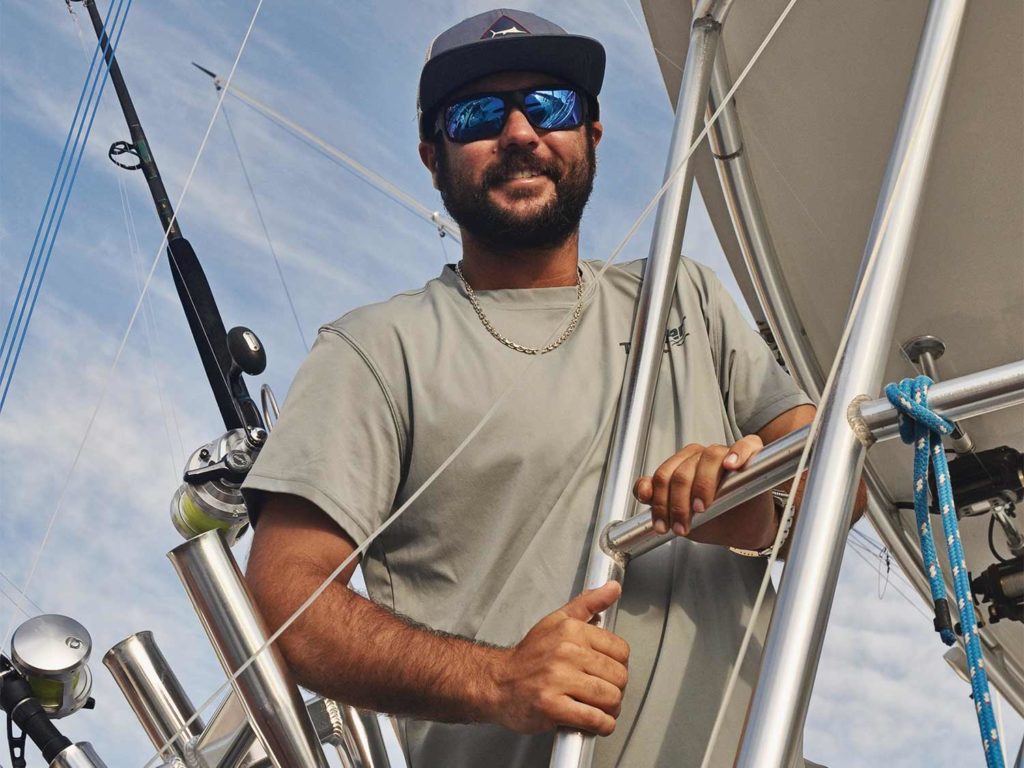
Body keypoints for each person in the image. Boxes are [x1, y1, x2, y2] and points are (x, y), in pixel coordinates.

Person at [243, 9, 825, 767]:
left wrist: (757, 503)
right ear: (432, 155)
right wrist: (497, 680)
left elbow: (838, 488)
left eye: (549, 105)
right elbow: (286, 602)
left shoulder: (686, 297)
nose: (519, 132)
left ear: (592, 134)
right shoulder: (376, 349)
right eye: (478, 114)